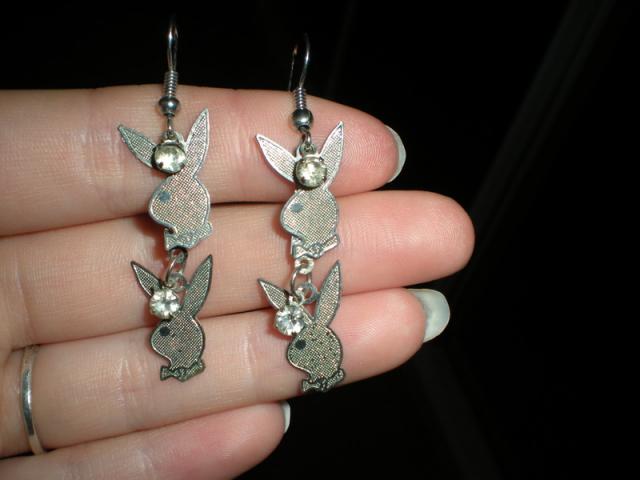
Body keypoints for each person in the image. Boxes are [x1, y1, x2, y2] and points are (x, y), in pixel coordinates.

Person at [0, 85, 474, 478]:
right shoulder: (178, 194)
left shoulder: (302, 205)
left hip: (293, 239)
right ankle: (192, 352)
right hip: (201, 235)